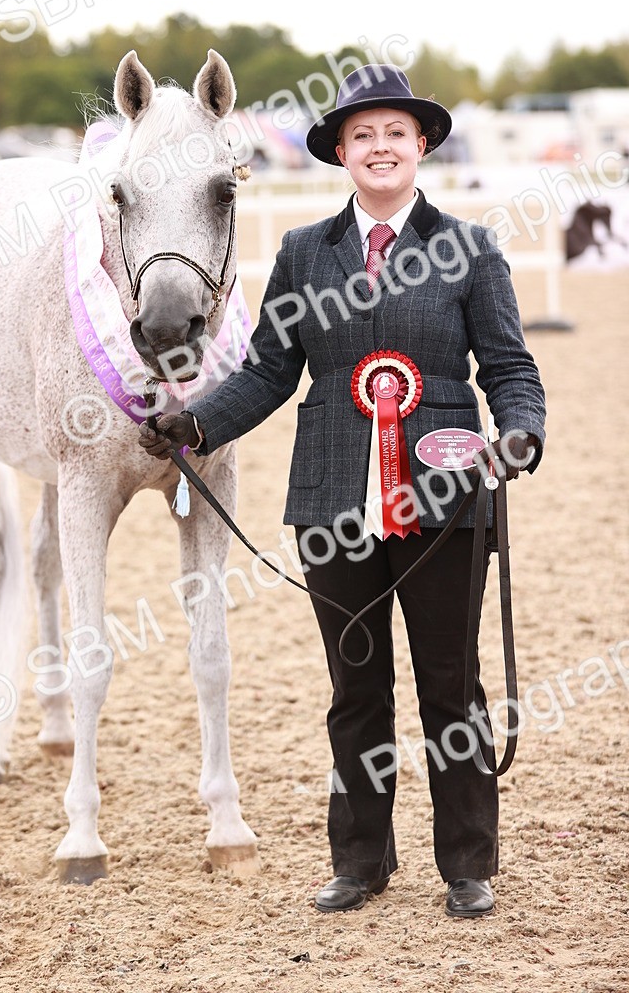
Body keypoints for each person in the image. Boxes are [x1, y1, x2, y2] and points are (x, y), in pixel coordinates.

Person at [138, 65, 546, 918]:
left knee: (450, 684)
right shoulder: (302, 253)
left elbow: (508, 367)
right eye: (363, 135)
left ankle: (465, 864)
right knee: (356, 691)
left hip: (445, 502)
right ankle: (360, 861)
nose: (381, 147)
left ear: (422, 144)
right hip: (332, 507)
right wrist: (199, 426)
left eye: (396, 132)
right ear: (342, 153)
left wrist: (519, 430)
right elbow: (269, 370)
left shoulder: (471, 249)